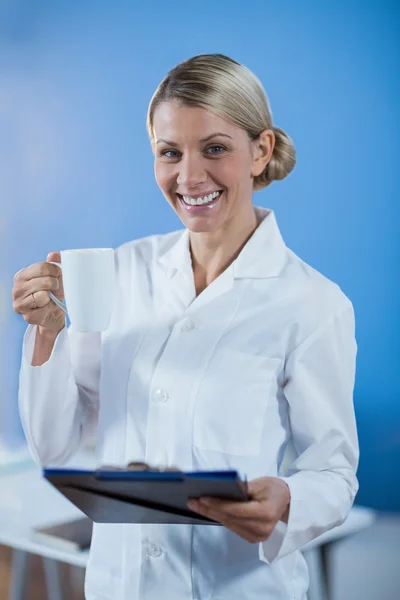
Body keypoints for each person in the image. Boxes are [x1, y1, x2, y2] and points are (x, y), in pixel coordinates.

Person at [12, 54, 359, 600]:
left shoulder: (313, 303)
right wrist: (48, 335)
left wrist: (287, 501)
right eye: (169, 152)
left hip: (237, 586)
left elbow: (333, 474)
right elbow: (57, 446)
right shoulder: (121, 271)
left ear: (260, 150)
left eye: (215, 148)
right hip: (120, 585)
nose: (189, 176)